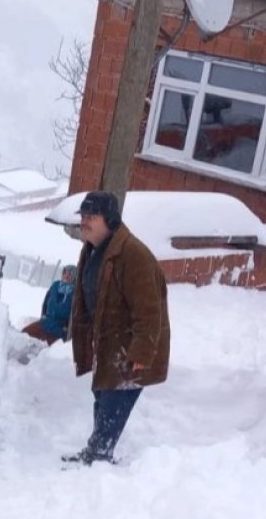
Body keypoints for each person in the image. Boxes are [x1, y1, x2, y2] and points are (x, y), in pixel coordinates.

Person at [64, 192, 170, 466]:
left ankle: (99, 456)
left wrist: (142, 353)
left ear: (109, 220)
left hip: (130, 350)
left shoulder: (133, 255)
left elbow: (149, 310)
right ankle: (95, 453)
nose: (84, 222)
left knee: (114, 402)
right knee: (102, 397)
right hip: (109, 346)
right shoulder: (93, 249)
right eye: (83, 217)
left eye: (91, 217)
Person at [22, 265, 77, 345]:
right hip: (45, 323)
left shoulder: (75, 293)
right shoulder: (55, 286)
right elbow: (45, 303)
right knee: (24, 335)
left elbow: (74, 316)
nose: (67, 275)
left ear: (75, 277)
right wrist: (43, 316)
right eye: (65, 273)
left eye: (70, 273)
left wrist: (66, 328)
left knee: (48, 351)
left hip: (60, 331)